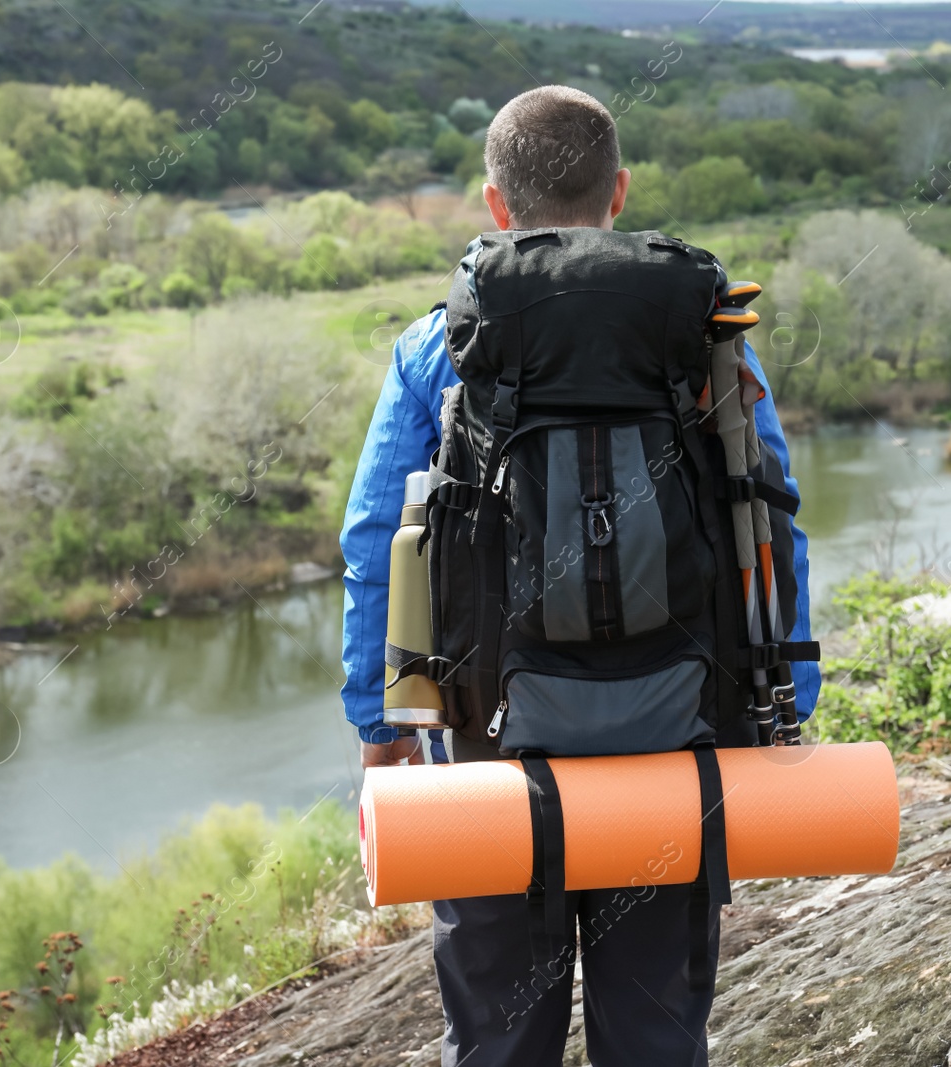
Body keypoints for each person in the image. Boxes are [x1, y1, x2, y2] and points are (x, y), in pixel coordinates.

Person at [338, 84, 819, 1067]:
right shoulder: (701, 334)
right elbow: (767, 511)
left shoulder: (439, 347)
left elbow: (376, 540)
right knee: (653, 1038)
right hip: (675, 740)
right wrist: (785, 705)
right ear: (621, 192)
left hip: (490, 749)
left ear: (494, 205)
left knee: (498, 1038)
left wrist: (381, 731)